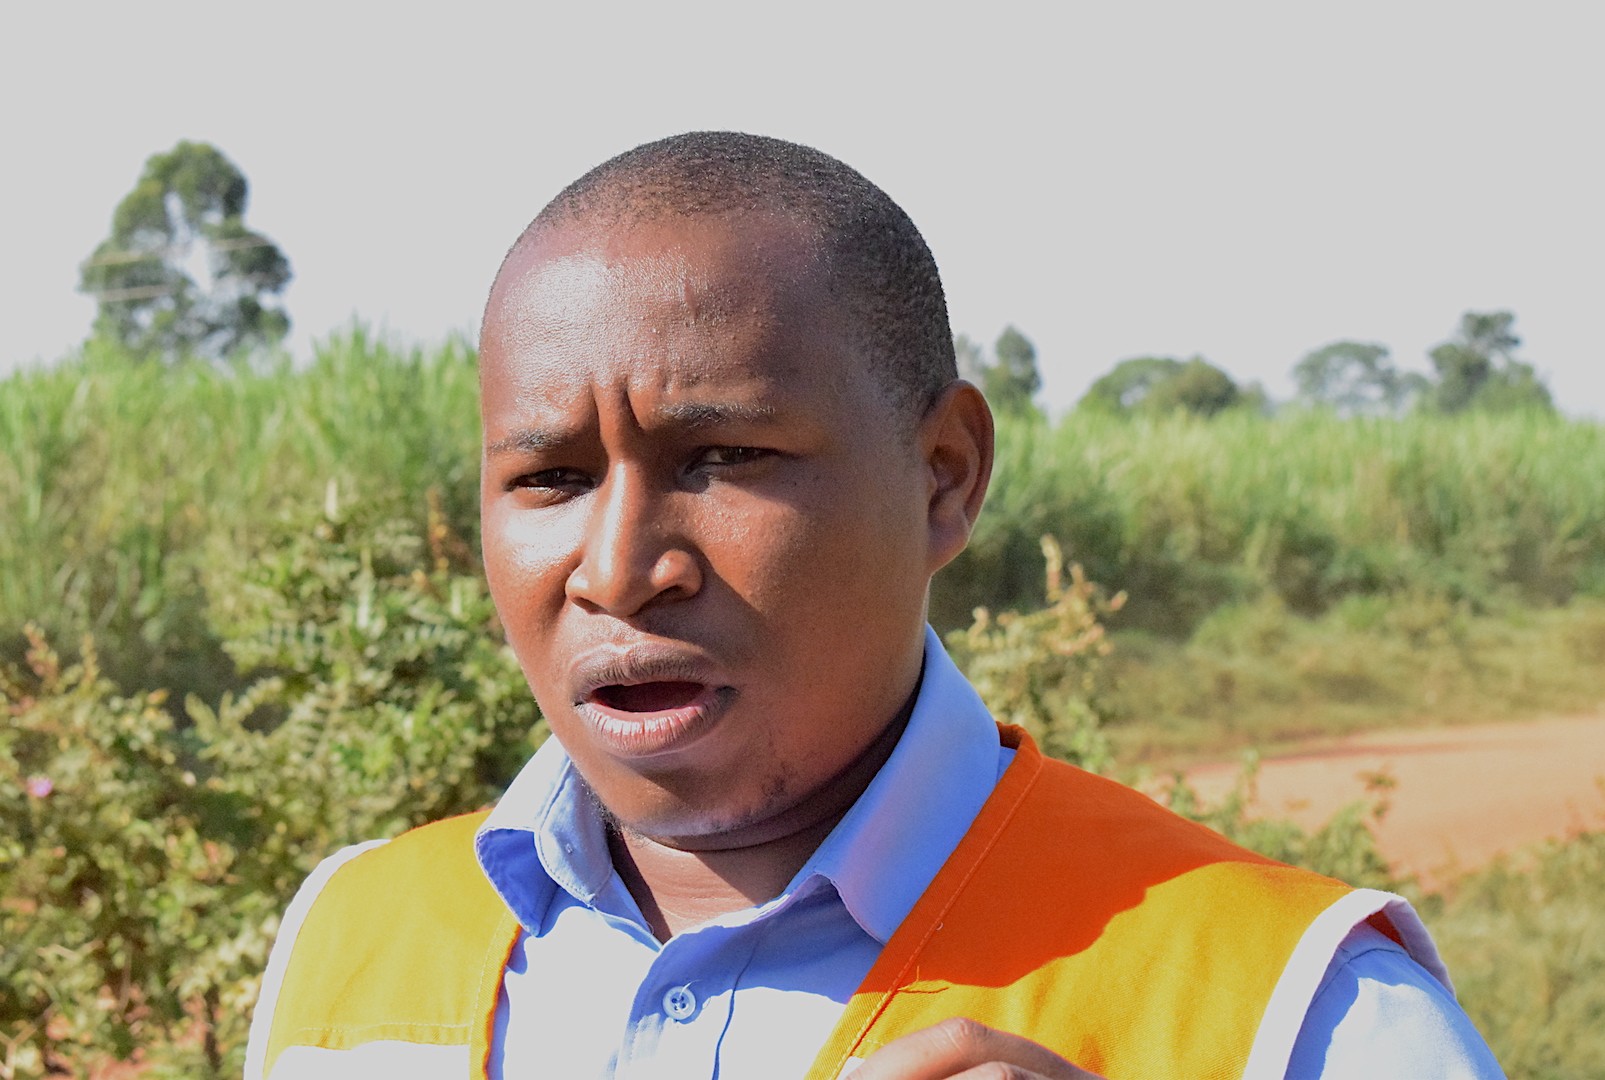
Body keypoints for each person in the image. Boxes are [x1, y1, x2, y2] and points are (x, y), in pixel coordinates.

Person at [242, 132, 1505, 1080]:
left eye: (724, 458)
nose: (620, 569)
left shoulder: (1301, 1008)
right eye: (550, 479)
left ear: (943, 476)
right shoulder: (352, 944)